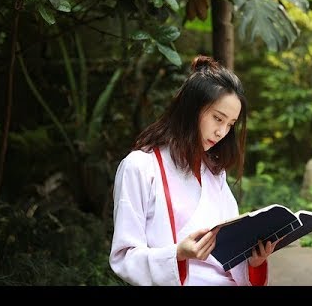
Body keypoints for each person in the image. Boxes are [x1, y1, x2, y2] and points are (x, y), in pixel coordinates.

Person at [109, 55, 280, 286]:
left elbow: (231, 257)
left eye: (230, 124)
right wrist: (177, 254)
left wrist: (254, 262)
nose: (222, 132)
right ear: (191, 109)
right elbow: (124, 257)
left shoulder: (214, 173)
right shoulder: (140, 166)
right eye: (218, 118)